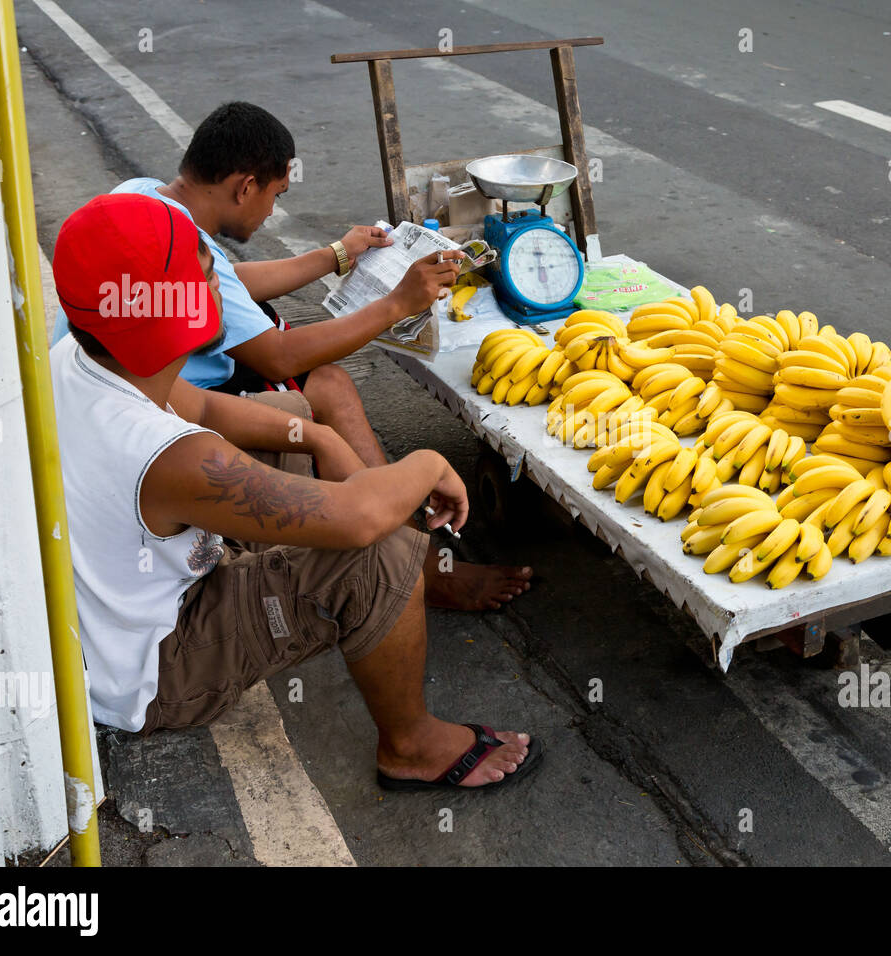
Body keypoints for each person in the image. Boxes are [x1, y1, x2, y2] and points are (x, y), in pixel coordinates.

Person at [50, 191, 538, 790]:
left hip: (111, 605)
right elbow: (357, 519)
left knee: (295, 409)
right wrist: (429, 461)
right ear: (169, 309)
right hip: (154, 670)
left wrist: (316, 435)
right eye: (208, 275)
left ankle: (303, 560)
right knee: (378, 553)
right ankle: (410, 747)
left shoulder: (83, 358)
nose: (223, 286)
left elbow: (200, 404)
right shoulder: (170, 456)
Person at [52, 100, 532, 612]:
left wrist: (337, 255)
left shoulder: (145, 199)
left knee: (322, 385)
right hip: (155, 389)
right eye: (275, 195)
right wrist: (396, 305)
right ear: (244, 187)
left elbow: (234, 285)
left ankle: (404, 541)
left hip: (129, 373)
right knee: (329, 389)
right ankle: (423, 564)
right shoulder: (182, 252)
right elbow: (277, 357)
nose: (273, 211)